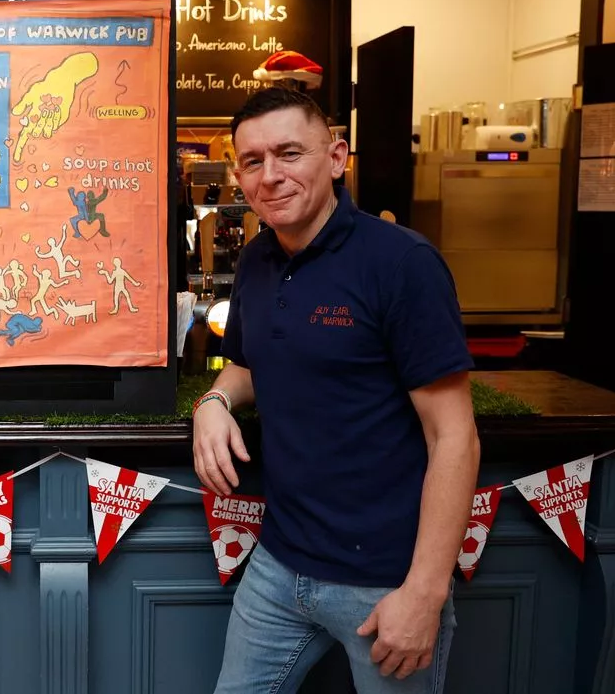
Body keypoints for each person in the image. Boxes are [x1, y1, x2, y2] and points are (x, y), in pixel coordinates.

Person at [192, 88, 480, 694]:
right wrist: (214, 401)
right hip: (278, 563)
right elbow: (248, 363)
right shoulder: (257, 261)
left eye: (289, 153)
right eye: (252, 161)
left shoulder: (402, 263)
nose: (270, 176)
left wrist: (424, 593)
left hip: (384, 579)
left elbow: (454, 436)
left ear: (336, 157)